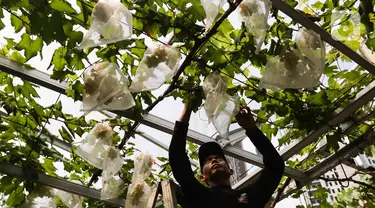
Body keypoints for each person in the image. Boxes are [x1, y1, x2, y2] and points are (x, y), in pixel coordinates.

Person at [169, 103, 285, 208]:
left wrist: (252, 130)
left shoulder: (247, 196)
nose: (214, 160)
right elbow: (177, 159)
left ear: (231, 171)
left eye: (218, 158)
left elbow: (275, 167)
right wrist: (187, 110)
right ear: (202, 177)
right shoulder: (199, 195)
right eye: (208, 160)